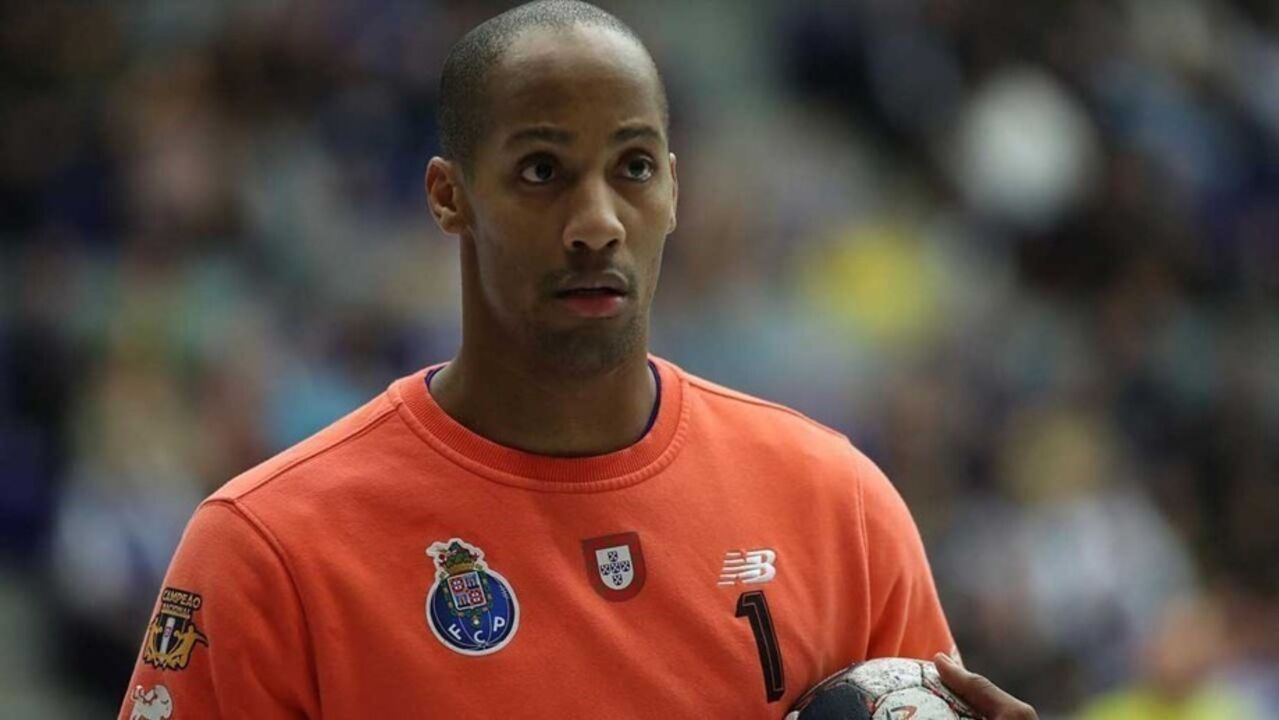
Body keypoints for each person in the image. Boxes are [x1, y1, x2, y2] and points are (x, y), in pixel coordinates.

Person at [118, 2, 1036, 718]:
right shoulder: (269, 549)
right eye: (541, 171)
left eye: (632, 167)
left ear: (673, 188)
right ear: (448, 196)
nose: (596, 222)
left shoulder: (837, 508)